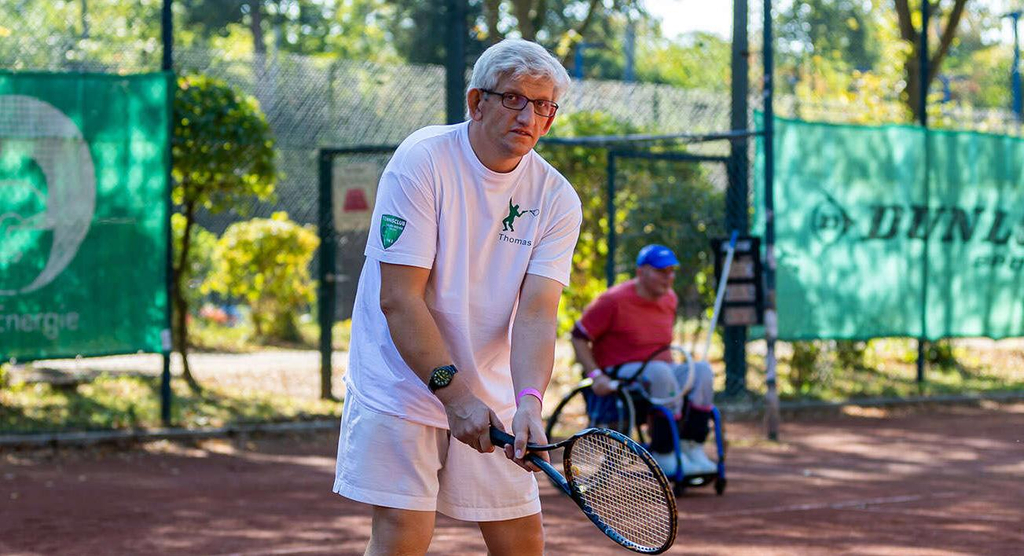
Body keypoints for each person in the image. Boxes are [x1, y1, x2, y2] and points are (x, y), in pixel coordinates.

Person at [333, 38, 581, 556]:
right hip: (399, 377)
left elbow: (536, 314)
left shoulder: (557, 199)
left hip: (489, 391)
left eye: (542, 106)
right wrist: (456, 397)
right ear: (476, 102)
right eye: (513, 98)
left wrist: (529, 403)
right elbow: (399, 298)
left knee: (520, 538)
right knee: (405, 530)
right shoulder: (422, 160)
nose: (528, 115)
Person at [570, 244, 718, 476]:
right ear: (641, 272)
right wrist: (595, 376)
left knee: (701, 370)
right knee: (660, 373)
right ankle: (664, 452)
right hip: (620, 372)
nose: (668, 277)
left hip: (661, 371)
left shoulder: (670, 299)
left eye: (671, 271)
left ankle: (692, 448)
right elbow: (578, 336)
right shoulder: (613, 300)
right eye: (661, 271)